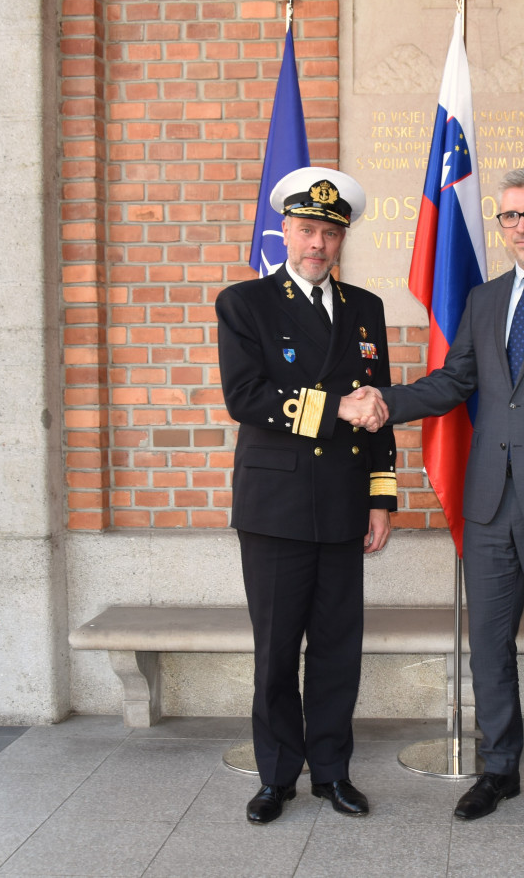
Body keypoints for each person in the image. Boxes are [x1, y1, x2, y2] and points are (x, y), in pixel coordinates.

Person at [351, 168, 524, 833]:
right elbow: (456, 382)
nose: (522, 226)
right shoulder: (485, 300)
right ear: (502, 226)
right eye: (510, 216)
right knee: (488, 647)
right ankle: (501, 767)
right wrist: (386, 402)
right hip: (487, 505)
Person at [216, 166, 396, 825]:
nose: (317, 242)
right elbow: (247, 397)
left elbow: (378, 410)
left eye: (329, 231)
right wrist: (334, 409)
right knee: (276, 651)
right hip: (276, 509)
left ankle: (331, 771)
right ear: (285, 231)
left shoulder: (366, 309)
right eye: (306, 229)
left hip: (346, 504)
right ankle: (276, 776)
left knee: (335, 648)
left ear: (341, 237)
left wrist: (382, 497)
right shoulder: (245, 304)